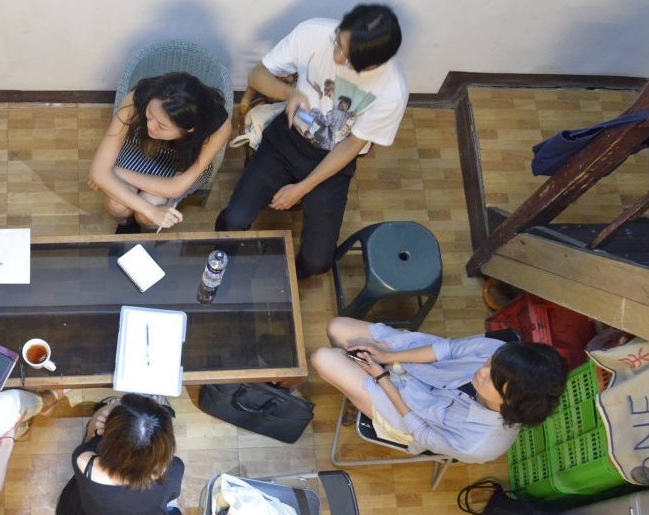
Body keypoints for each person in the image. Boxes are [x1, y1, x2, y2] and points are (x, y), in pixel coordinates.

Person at [216, 4, 409, 278]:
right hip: (287, 140)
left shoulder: (392, 91)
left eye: (348, 57)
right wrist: (288, 93)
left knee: (318, 262)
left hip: (333, 160)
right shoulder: (313, 32)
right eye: (338, 43)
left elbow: (352, 146)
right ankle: (224, 258)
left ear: (375, 64)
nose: (337, 57)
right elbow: (256, 75)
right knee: (234, 219)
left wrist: (301, 189)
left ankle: (286, 278)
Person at [312, 317, 568, 463]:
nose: (482, 370)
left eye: (492, 379)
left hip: (408, 413)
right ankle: (350, 375)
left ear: (509, 402)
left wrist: (382, 377)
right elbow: (447, 349)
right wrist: (389, 356)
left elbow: (421, 431)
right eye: (490, 364)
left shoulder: (478, 444)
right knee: (336, 328)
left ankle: (350, 381)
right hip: (419, 367)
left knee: (323, 358)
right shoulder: (499, 355)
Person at [55, 394, 183, 515]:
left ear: (111, 437)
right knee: (171, 507)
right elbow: (169, 493)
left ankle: (109, 408)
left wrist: (105, 412)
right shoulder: (173, 469)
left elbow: (91, 437)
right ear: (165, 445)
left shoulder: (84, 462)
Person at [89, 72, 231, 233]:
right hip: (142, 145)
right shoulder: (137, 98)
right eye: (149, 115)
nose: (150, 126)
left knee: (149, 207)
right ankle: (127, 225)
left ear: (190, 129)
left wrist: (114, 172)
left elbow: (176, 187)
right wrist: (149, 210)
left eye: (162, 126)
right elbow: (98, 173)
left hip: (184, 160)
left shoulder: (218, 126)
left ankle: (145, 228)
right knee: (117, 204)